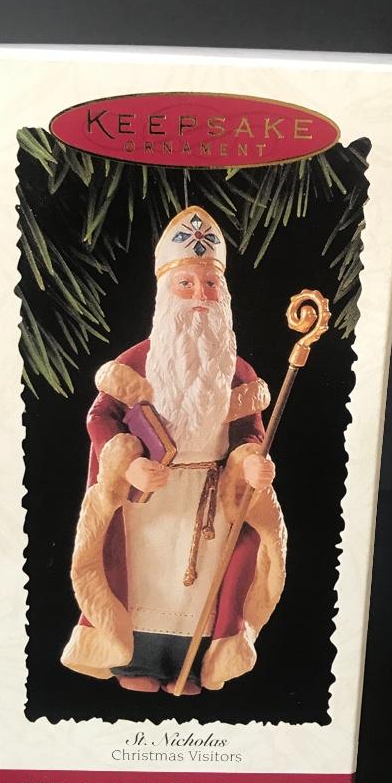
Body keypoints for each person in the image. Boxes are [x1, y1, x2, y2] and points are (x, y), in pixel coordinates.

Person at [61, 205, 286, 694]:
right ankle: (134, 664)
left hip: (211, 498)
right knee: (146, 578)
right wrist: (129, 466)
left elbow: (249, 432)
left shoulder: (237, 371)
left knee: (202, 586)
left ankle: (191, 666)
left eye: (210, 285)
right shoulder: (135, 362)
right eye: (186, 284)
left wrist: (252, 463)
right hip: (148, 501)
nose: (200, 296)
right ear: (166, 292)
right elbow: (100, 418)